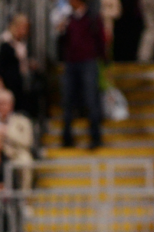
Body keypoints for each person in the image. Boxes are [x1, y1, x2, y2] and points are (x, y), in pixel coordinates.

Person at [58, 0, 106, 150]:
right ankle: (67, 138)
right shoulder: (68, 18)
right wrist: (60, 32)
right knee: (67, 100)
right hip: (71, 63)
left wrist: (104, 61)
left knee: (91, 100)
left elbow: (101, 39)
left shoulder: (92, 18)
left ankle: (95, 137)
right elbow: (62, 43)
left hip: (88, 63)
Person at [0, 14, 36, 116]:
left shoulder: (22, 44)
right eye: (23, 27)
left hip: (20, 85)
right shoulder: (5, 42)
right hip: (8, 85)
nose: (25, 31)